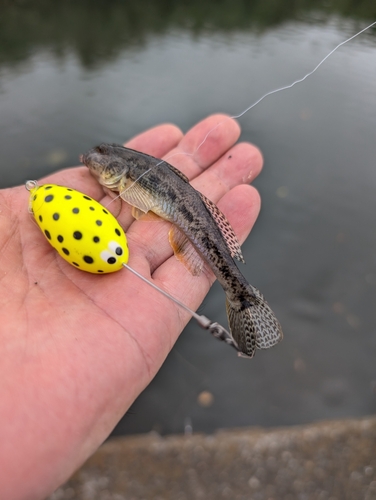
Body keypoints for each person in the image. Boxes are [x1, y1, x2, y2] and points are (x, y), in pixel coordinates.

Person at [0, 114, 263, 500]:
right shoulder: (122, 174)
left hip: (189, 222)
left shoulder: (127, 178)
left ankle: (241, 298)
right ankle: (242, 300)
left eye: (98, 162)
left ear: (118, 172)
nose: (90, 162)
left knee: (212, 258)